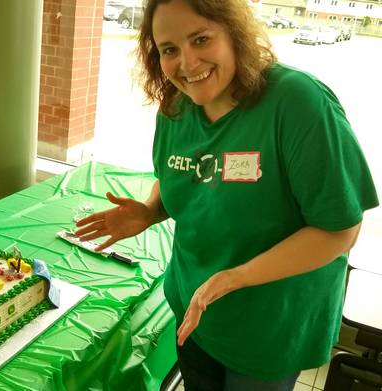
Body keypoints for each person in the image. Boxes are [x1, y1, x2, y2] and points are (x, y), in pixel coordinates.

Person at [74, 0, 379, 390]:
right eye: (169, 49)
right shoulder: (175, 108)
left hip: (268, 327)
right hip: (193, 309)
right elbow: (185, 179)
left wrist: (233, 279)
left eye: (201, 39)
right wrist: (150, 211)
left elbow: (339, 230)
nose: (186, 63)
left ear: (234, 33)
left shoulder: (297, 102)